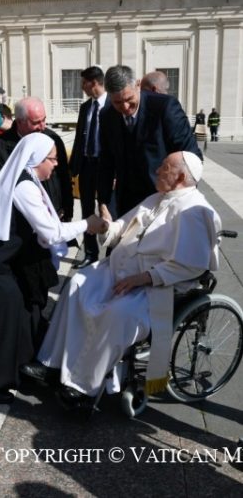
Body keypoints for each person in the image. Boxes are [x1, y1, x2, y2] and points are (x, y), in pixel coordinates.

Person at [23, 151, 221, 410]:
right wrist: (107, 226)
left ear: (181, 177)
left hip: (156, 286)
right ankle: (52, 364)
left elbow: (192, 265)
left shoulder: (195, 211)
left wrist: (144, 278)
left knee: (118, 313)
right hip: (120, 271)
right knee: (77, 283)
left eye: (164, 167)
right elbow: (123, 226)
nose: (157, 170)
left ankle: (83, 387)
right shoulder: (156, 198)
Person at [0, 133, 105, 404]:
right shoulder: (24, 186)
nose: (56, 165)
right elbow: (51, 232)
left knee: (17, 308)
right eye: (52, 159)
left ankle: (14, 368)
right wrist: (87, 224)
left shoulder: (29, 180)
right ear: (35, 160)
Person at [98, 65, 201, 219]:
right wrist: (103, 202)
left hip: (165, 199)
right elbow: (106, 162)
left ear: (138, 85)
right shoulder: (107, 115)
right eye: (117, 102)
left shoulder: (165, 107)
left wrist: (182, 199)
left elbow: (190, 156)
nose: (125, 107)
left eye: (129, 99)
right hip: (127, 203)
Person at [0, 96, 74, 222]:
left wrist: (68, 211)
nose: (42, 126)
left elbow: (64, 177)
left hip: (55, 215)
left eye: (44, 120)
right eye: (36, 122)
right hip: (22, 222)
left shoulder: (53, 139)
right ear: (20, 122)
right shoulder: (0, 147)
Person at [68, 66, 110, 268]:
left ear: (94, 83)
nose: (81, 87)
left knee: (107, 208)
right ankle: (91, 253)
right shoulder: (86, 107)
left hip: (106, 167)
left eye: (84, 83)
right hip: (86, 165)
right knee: (86, 209)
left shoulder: (112, 104)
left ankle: (111, 254)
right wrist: (73, 167)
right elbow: (79, 138)